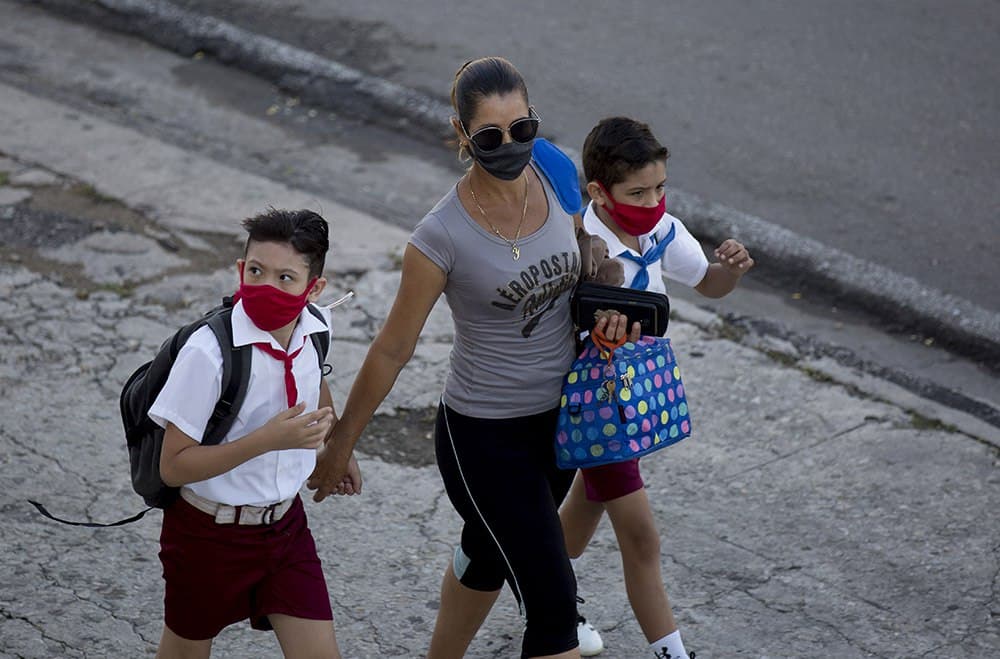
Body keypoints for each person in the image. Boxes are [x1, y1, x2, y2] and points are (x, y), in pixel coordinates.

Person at [307, 57, 637, 659]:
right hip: (484, 438)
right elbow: (393, 349)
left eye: (522, 128)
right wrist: (340, 443)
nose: (511, 146)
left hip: (560, 423)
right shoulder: (440, 236)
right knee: (554, 607)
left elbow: (583, 260)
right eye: (490, 136)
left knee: (488, 551)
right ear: (462, 134)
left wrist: (606, 310)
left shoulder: (554, 170)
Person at [559, 116, 754, 659]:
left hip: (638, 393)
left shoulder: (662, 229)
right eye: (638, 192)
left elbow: (708, 283)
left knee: (588, 504)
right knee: (642, 537)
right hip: (597, 403)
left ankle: (545, 591)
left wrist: (730, 270)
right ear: (600, 192)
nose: (653, 201)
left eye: (660, 188)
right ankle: (672, 653)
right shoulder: (579, 244)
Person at [150, 208, 360, 659]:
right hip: (206, 536)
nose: (266, 287)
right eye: (257, 271)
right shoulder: (208, 352)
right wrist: (266, 441)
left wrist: (337, 446)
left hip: (285, 530)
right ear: (240, 268)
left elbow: (314, 380)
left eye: (285, 278)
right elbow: (173, 466)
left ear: (314, 288)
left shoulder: (315, 328)